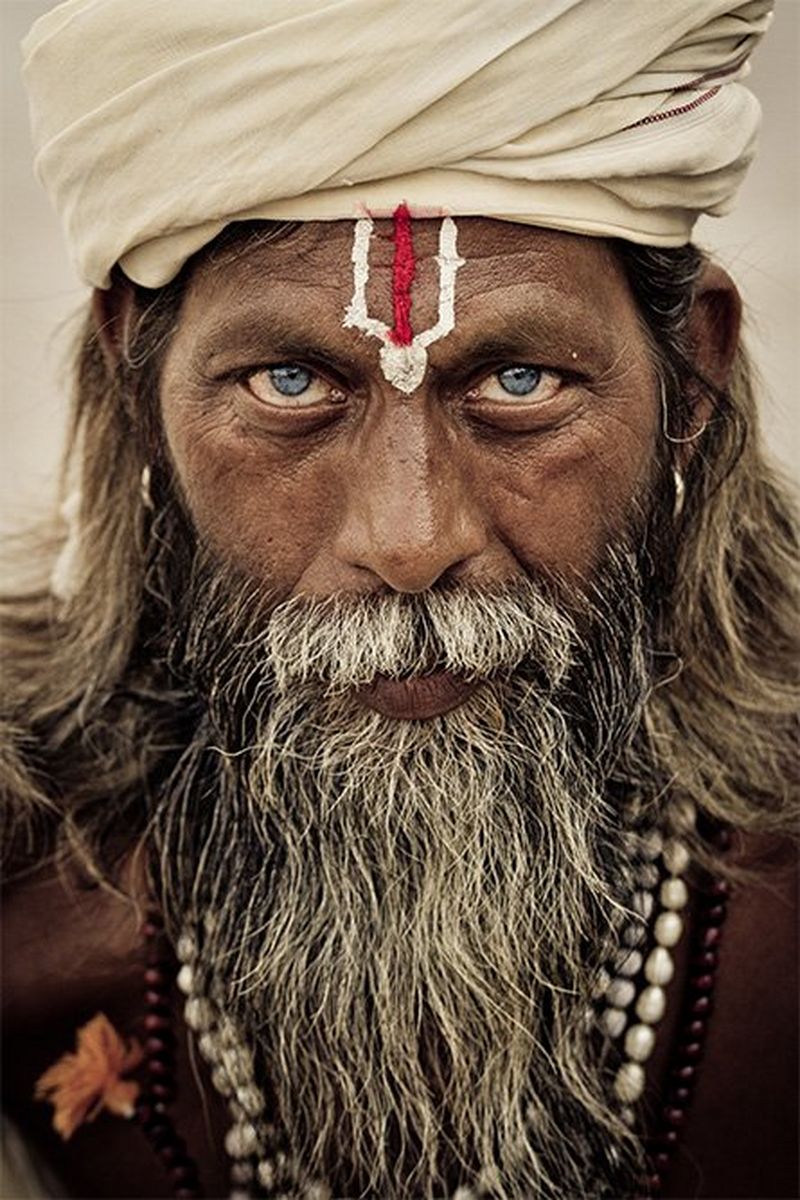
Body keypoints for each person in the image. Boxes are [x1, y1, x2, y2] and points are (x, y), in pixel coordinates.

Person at [1, 2, 797, 1198]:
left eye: (518, 382)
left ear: (690, 367)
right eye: (288, 383)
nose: (409, 541)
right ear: (136, 381)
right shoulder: (24, 913)